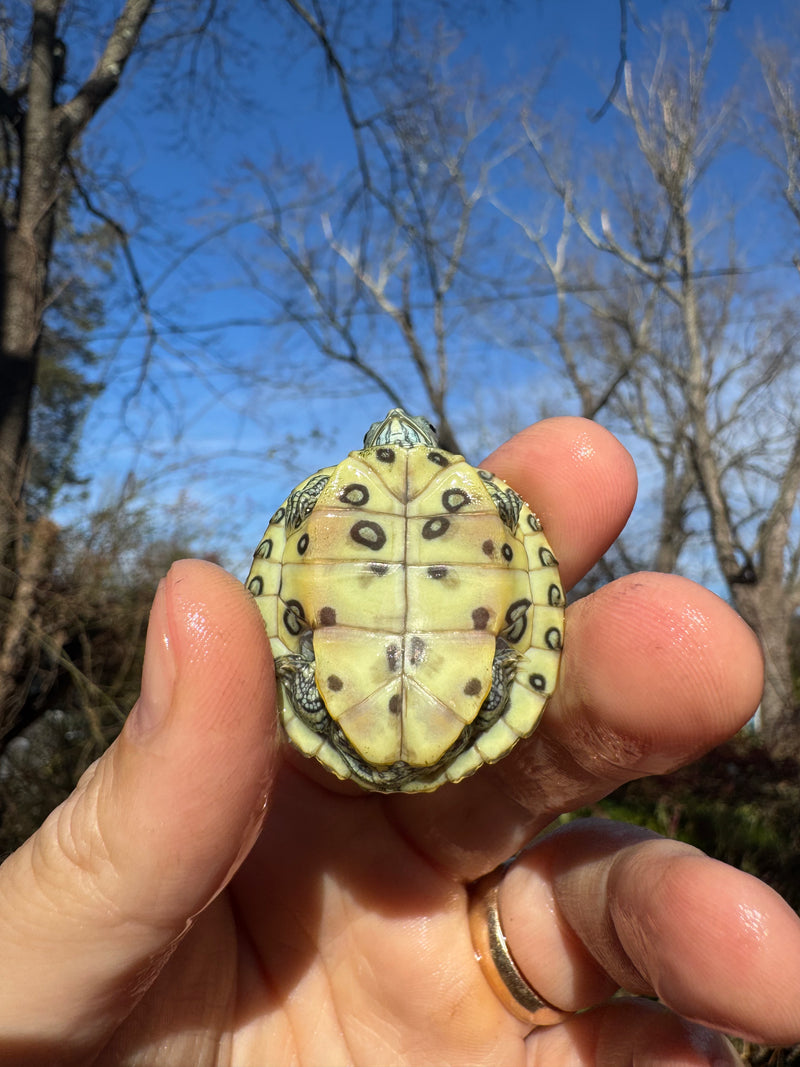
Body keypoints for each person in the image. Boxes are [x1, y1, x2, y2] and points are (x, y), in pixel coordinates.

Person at [2, 417, 799, 1067]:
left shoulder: (325, 507)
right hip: (453, 696)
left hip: (363, 697)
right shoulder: (479, 511)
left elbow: (281, 585)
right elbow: (525, 588)